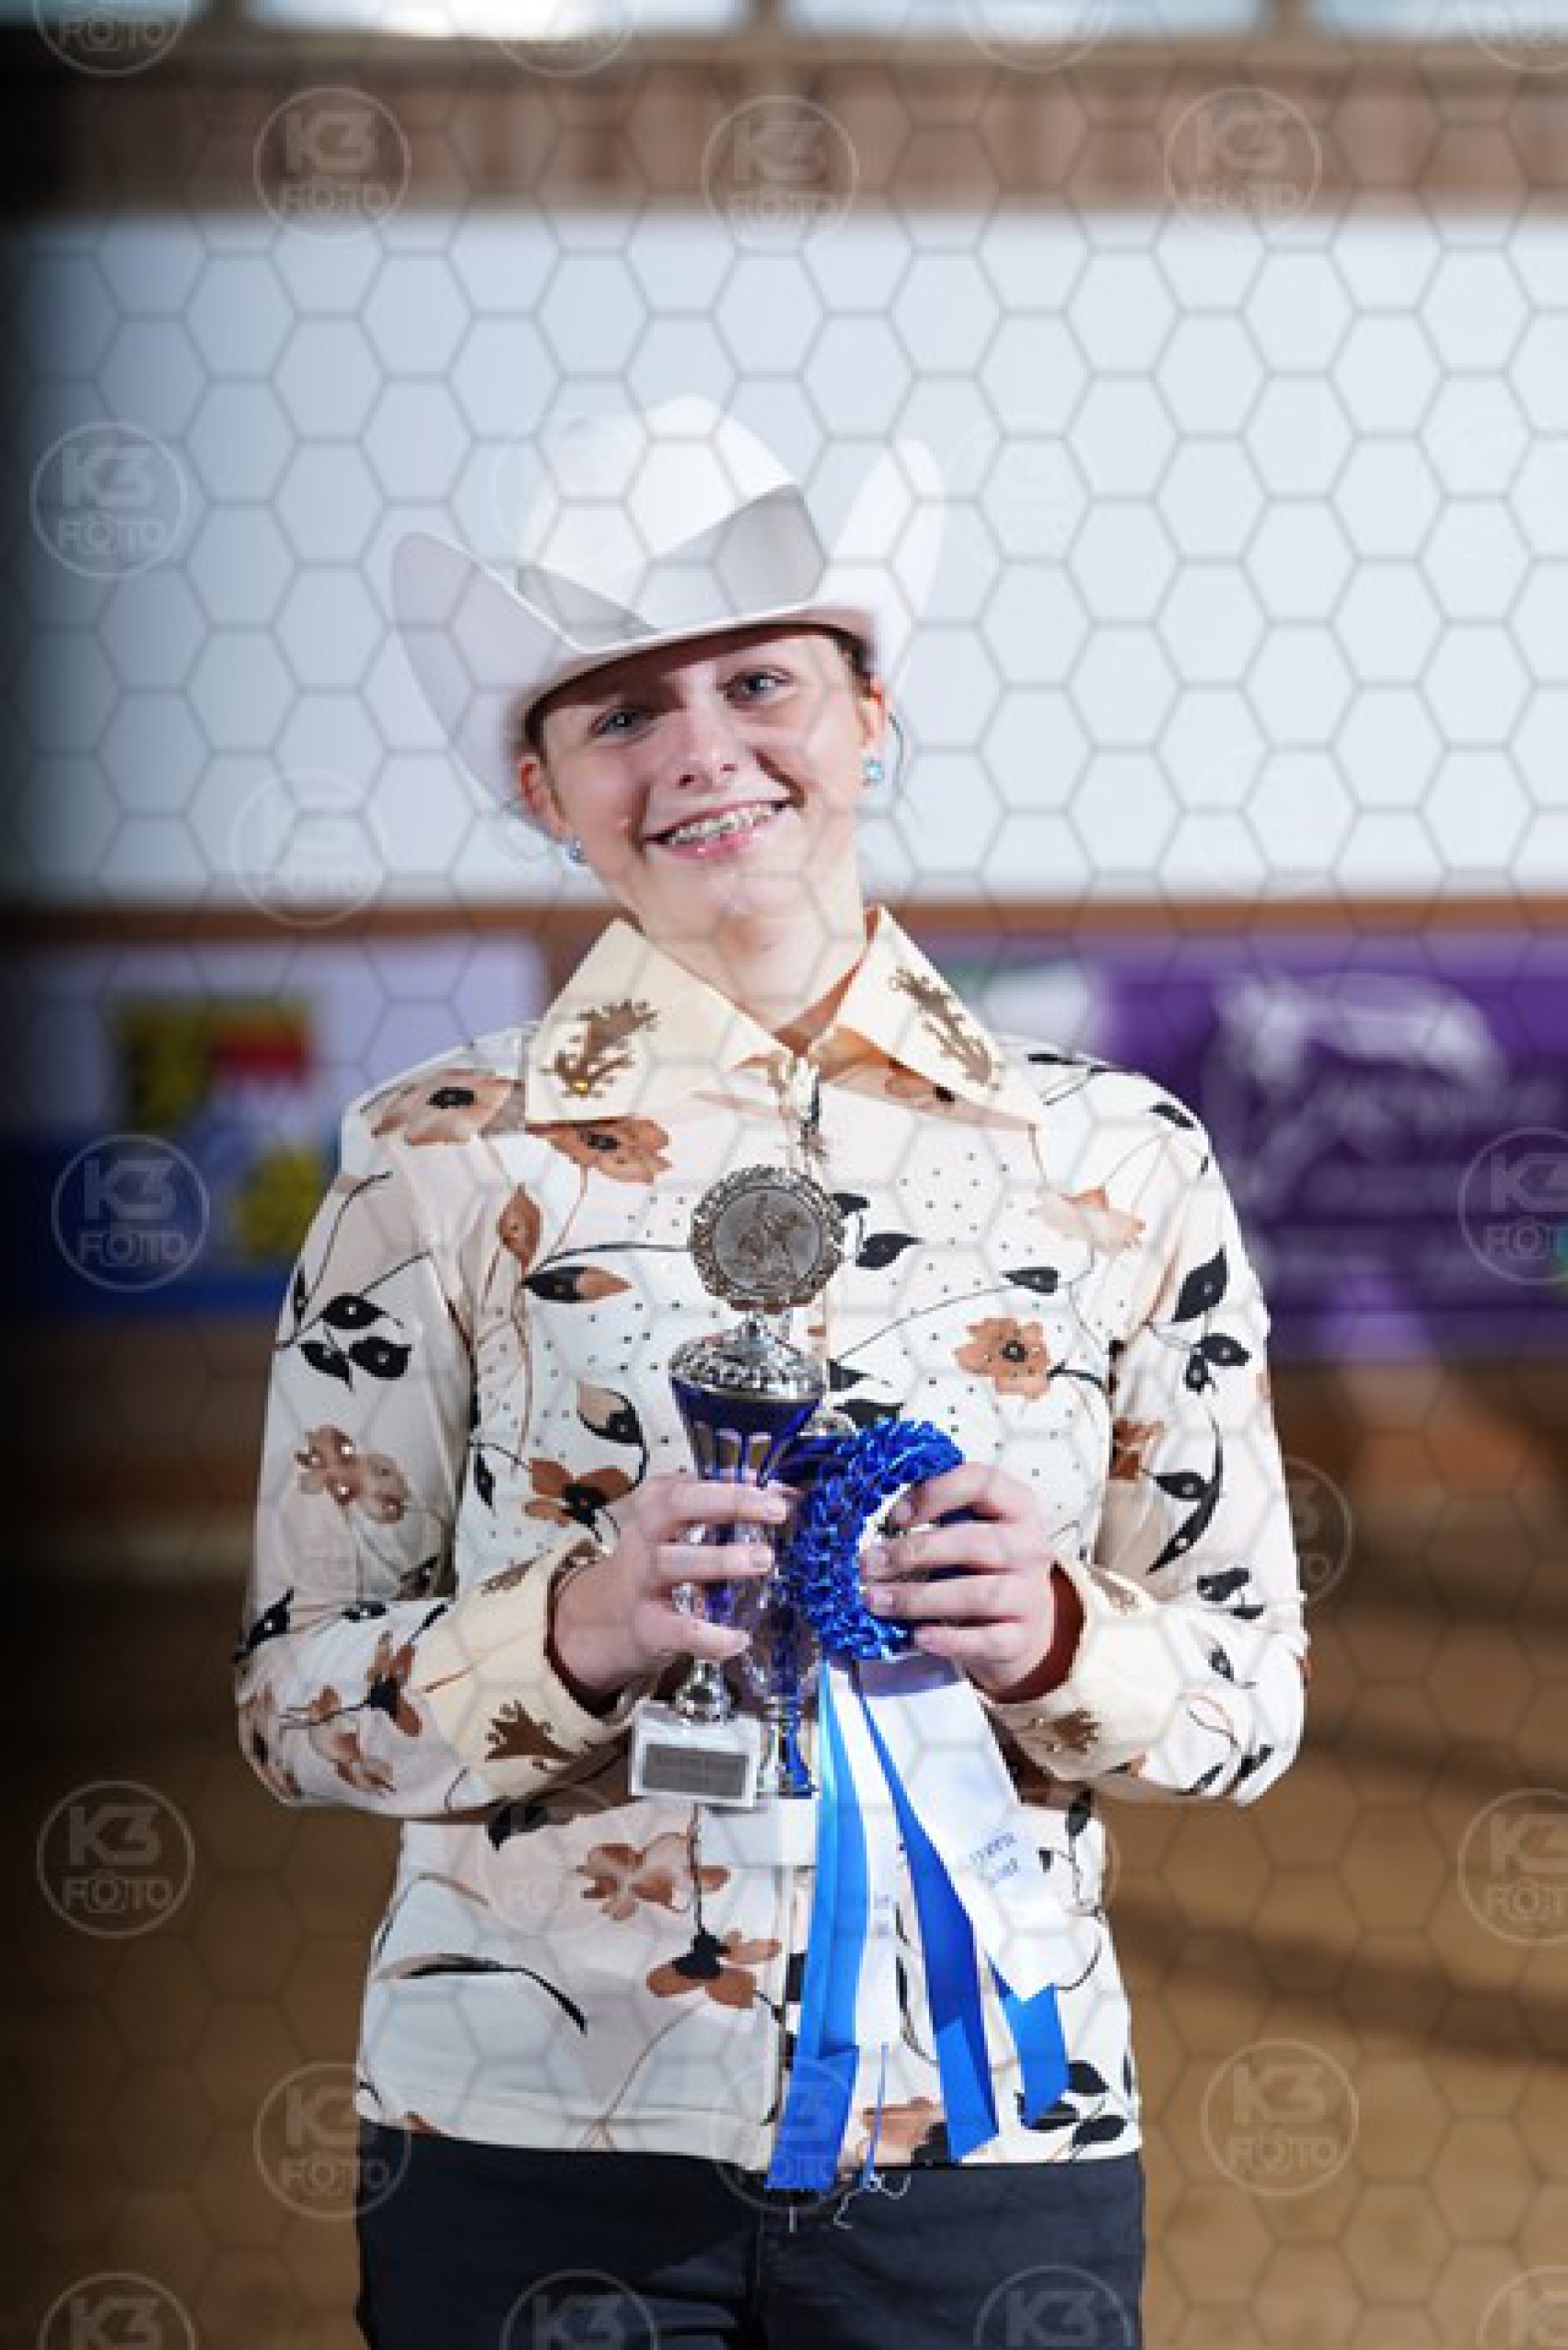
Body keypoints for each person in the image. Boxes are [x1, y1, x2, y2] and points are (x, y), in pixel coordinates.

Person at [235, 397, 1308, 2350]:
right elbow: (292, 1709)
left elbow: (1248, 1699)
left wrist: (1057, 1632)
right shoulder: (428, 1159)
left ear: (870, 712)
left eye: (758, 681)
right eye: (620, 712)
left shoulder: (1118, 1159)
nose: (700, 751)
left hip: (992, 2135)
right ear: (543, 788)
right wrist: (571, 1630)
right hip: (527, 2140)